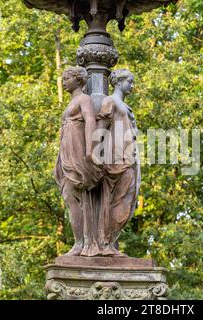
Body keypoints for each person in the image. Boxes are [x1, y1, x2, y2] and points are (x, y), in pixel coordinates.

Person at [54, 66, 103, 256]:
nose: (64, 81)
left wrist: (91, 149)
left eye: (67, 78)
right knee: (68, 195)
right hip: (67, 149)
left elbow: (90, 120)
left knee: (75, 195)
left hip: (77, 149)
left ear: (77, 79)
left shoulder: (84, 99)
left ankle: (83, 243)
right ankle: (80, 242)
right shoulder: (73, 101)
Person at [96, 69, 141, 256]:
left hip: (128, 158)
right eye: (130, 81)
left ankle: (109, 242)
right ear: (120, 82)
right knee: (115, 201)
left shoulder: (122, 105)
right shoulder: (110, 101)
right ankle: (105, 243)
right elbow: (100, 129)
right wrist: (95, 153)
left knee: (127, 201)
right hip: (116, 159)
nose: (132, 85)